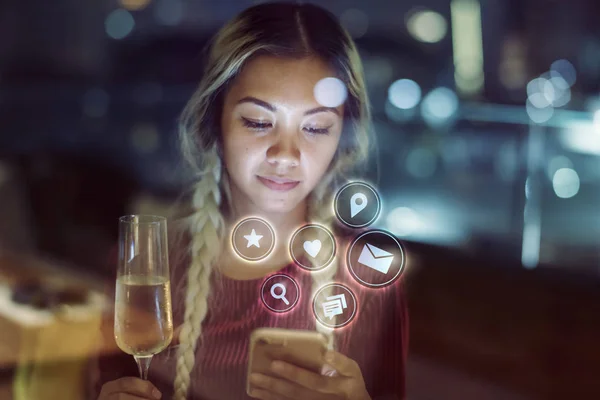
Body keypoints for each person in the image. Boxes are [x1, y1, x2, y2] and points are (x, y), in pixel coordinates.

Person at [92, 2, 408, 399]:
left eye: (315, 127)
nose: (285, 155)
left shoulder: (368, 282)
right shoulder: (149, 271)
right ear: (215, 121)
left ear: (342, 135)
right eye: (259, 122)